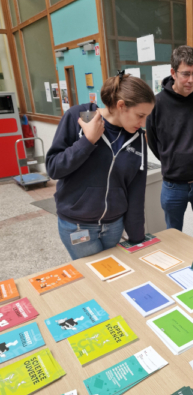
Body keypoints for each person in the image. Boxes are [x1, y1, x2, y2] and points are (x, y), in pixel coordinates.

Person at [46, 71, 155, 260]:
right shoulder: (79, 117)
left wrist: (138, 240)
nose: (143, 123)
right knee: (96, 279)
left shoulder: (137, 139)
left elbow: (136, 192)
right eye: (140, 115)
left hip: (114, 225)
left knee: (114, 276)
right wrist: (87, 141)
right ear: (121, 106)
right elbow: (54, 168)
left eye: (147, 117)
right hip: (78, 225)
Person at [146, 45, 193, 246]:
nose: (191, 80)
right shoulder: (157, 103)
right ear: (173, 73)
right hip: (173, 183)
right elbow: (152, 140)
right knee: (173, 235)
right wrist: (172, 159)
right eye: (186, 74)